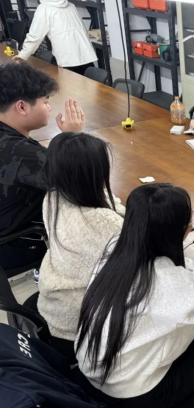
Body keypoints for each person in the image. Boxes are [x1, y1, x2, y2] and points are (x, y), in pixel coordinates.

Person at [76, 184, 194, 408]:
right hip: (133, 394)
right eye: (188, 222)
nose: (191, 225)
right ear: (175, 232)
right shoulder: (168, 282)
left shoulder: (117, 246)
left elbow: (178, 278)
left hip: (97, 372)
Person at [36, 132, 124, 360]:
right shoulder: (102, 223)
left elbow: (106, 202)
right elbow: (144, 256)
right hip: (81, 324)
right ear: (92, 176)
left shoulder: (53, 198)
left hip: (56, 303)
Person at [0, 62, 85, 271]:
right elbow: (80, 182)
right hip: (17, 246)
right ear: (22, 107)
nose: (49, 108)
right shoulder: (21, 153)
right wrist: (72, 138)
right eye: (45, 102)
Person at [13, 0, 97, 75]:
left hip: (67, 58)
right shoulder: (70, 5)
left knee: (72, 83)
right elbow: (82, 28)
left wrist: (23, 55)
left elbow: (35, 36)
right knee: (91, 82)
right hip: (85, 53)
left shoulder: (44, 9)